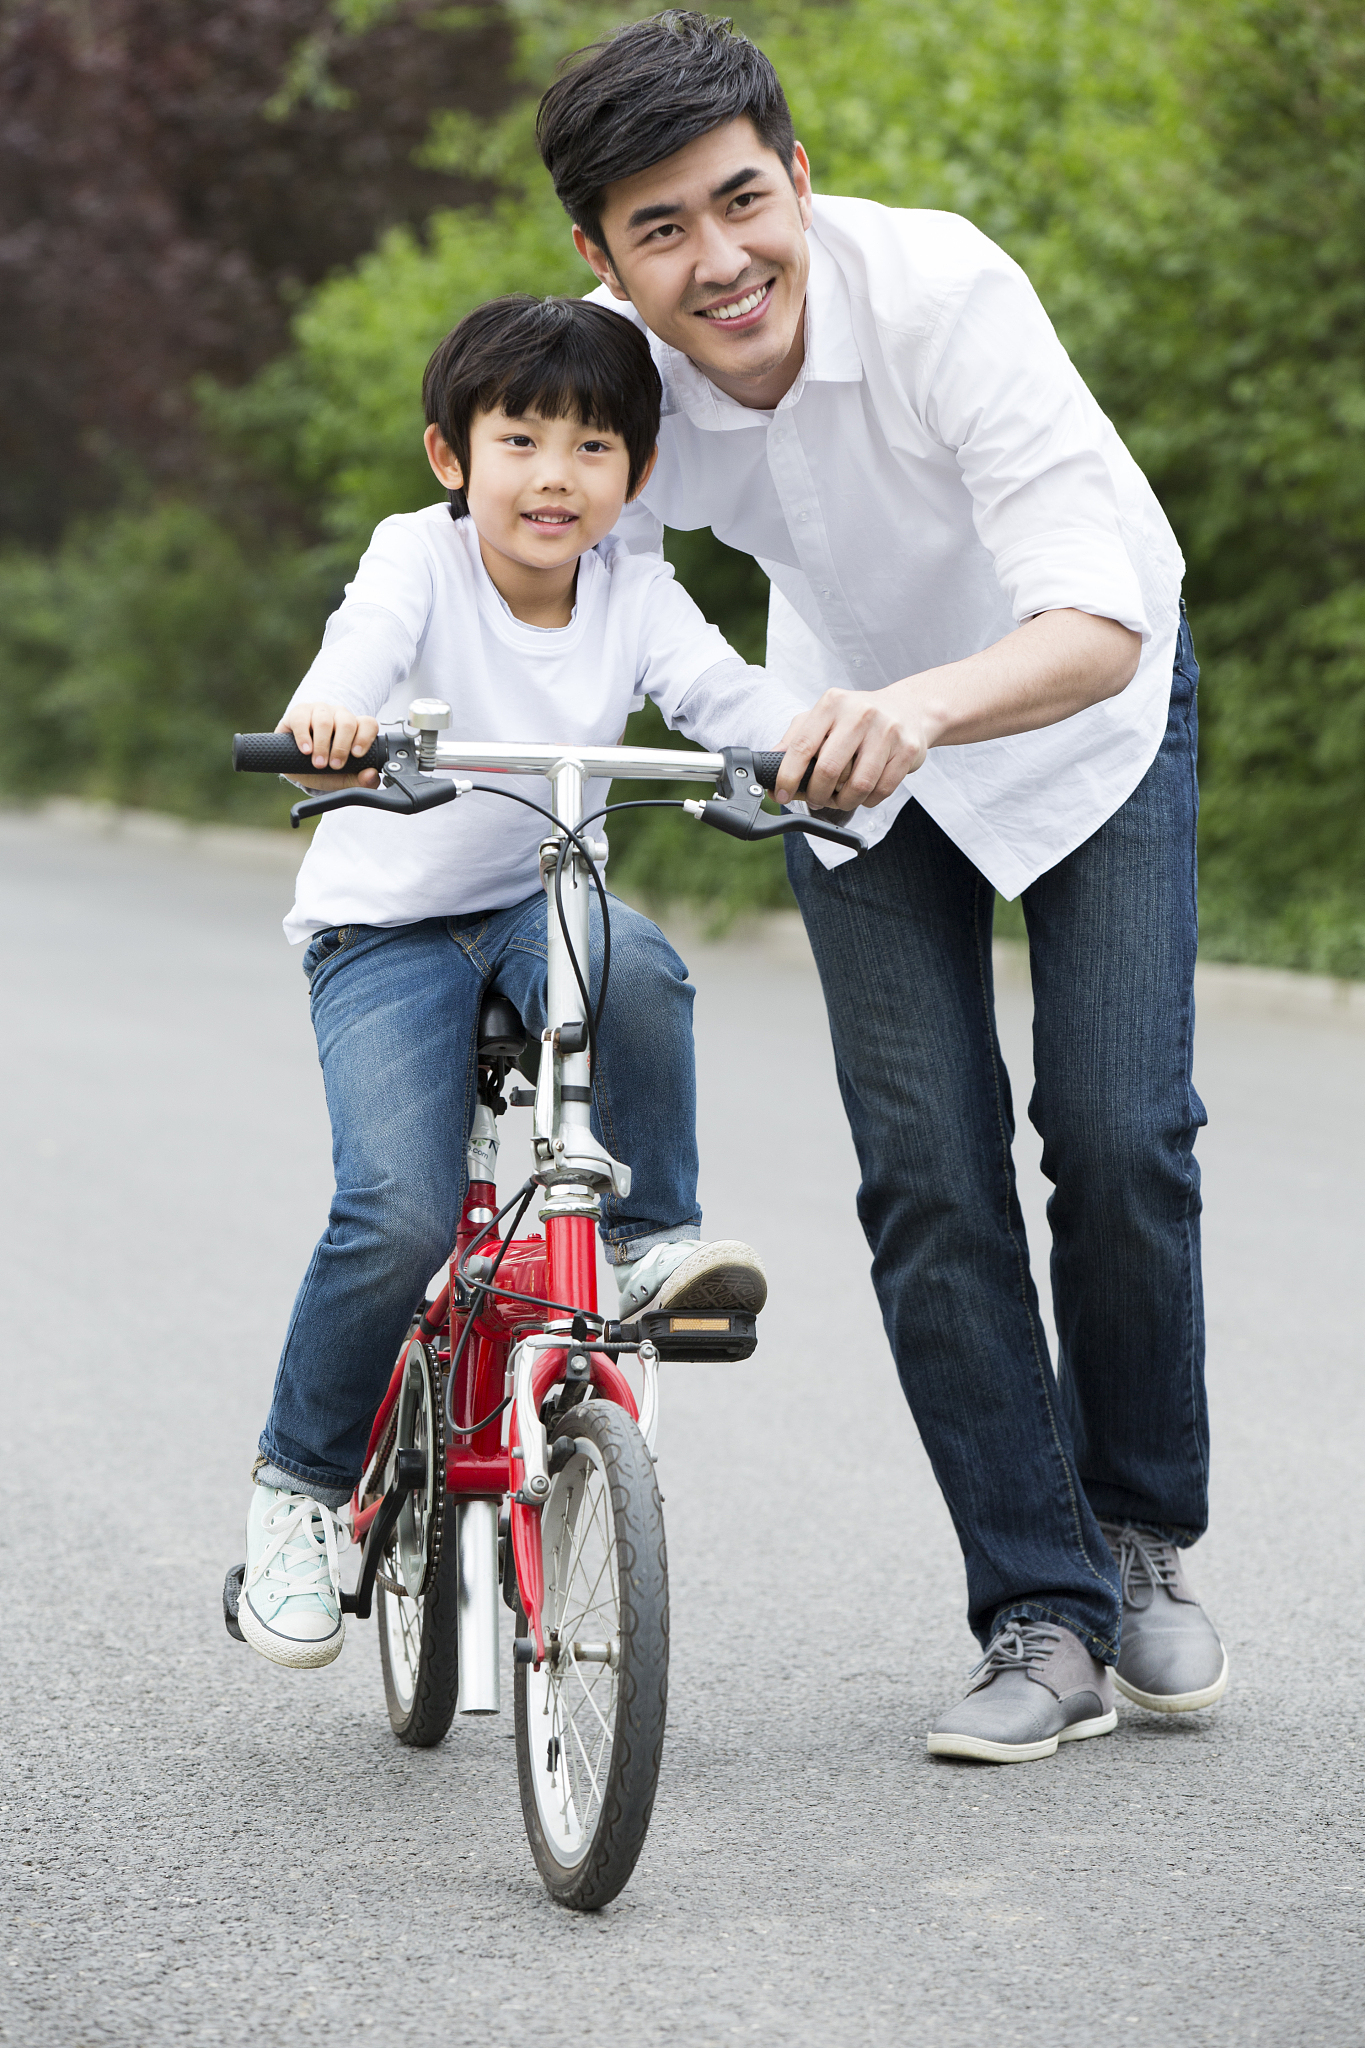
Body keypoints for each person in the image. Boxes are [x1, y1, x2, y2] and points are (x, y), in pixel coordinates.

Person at [536, 11, 1228, 1763]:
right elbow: (578, 578)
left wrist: (914, 711)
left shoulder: (941, 296)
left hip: (1078, 714)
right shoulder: (614, 377)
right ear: (600, 255)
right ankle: (1039, 1612)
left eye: (739, 201)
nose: (718, 260)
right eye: (659, 230)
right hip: (840, 743)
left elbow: (1095, 620)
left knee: (1119, 1132)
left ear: (798, 175)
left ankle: (1138, 1532)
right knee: (926, 1176)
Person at [239, 293, 796, 1670]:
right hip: (384, 929)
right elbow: (358, 653)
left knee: (637, 960)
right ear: (453, 456)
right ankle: (298, 1490)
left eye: (593, 447)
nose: (556, 476)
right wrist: (332, 717)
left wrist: (805, 742)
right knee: (397, 1212)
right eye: (522, 440)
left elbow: (724, 696)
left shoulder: (635, 591)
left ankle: (649, 1239)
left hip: (535, 904)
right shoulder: (414, 559)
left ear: (637, 474)